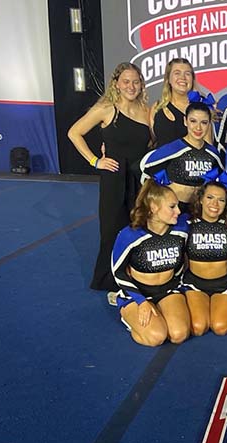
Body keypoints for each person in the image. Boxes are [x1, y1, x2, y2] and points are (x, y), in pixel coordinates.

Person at [67, 62, 151, 302]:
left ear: (141, 84)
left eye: (136, 81)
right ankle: (109, 280)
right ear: (116, 84)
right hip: (114, 178)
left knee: (138, 230)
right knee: (112, 230)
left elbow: (152, 145)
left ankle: (135, 276)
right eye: (126, 81)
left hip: (140, 180)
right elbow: (74, 133)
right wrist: (95, 161)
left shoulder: (146, 111)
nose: (131, 86)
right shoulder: (106, 108)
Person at [111, 176, 190, 346]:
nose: (178, 211)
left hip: (168, 289)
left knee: (179, 334)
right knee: (156, 338)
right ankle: (126, 313)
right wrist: (140, 301)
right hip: (138, 292)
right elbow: (117, 271)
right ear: (153, 208)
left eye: (177, 206)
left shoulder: (181, 230)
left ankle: (161, 311)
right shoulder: (131, 235)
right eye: (172, 207)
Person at [139, 91, 223, 213]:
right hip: (176, 211)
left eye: (204, 122)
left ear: (209, 123)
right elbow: (144, 168)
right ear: (185, 121)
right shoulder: (173, 148)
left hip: (200, 211)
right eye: (193, 121)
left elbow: (220, 180)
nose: (198, 128)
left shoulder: (213, 153)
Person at [183, 169, 227, 336]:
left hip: (225, 284)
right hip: (195, 283)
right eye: (210, 198)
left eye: (221, 200)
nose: (215, 204)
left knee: (221, 327)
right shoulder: (187, 225)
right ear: (200, 199)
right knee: (198, 327)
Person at [150, 58, 197, 147]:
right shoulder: (157, 108)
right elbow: (148, 143)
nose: (182, 78)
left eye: (187, 74)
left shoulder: (201, 108)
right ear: (168, 79)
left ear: (192, 79)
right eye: (177, 73)